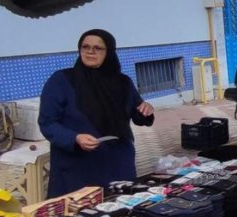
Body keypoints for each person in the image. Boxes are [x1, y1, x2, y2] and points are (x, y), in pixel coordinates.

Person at [38, 29, 154, 198]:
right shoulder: (62, 80)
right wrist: (74, 138)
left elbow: (139, 116)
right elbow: (47, 122)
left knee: (120, 213)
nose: (90, 51)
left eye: (98, 48)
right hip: (78, 167)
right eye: (85, 47)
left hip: (118, 164)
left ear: (109, 52)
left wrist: (146, 109)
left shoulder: (123, 82)